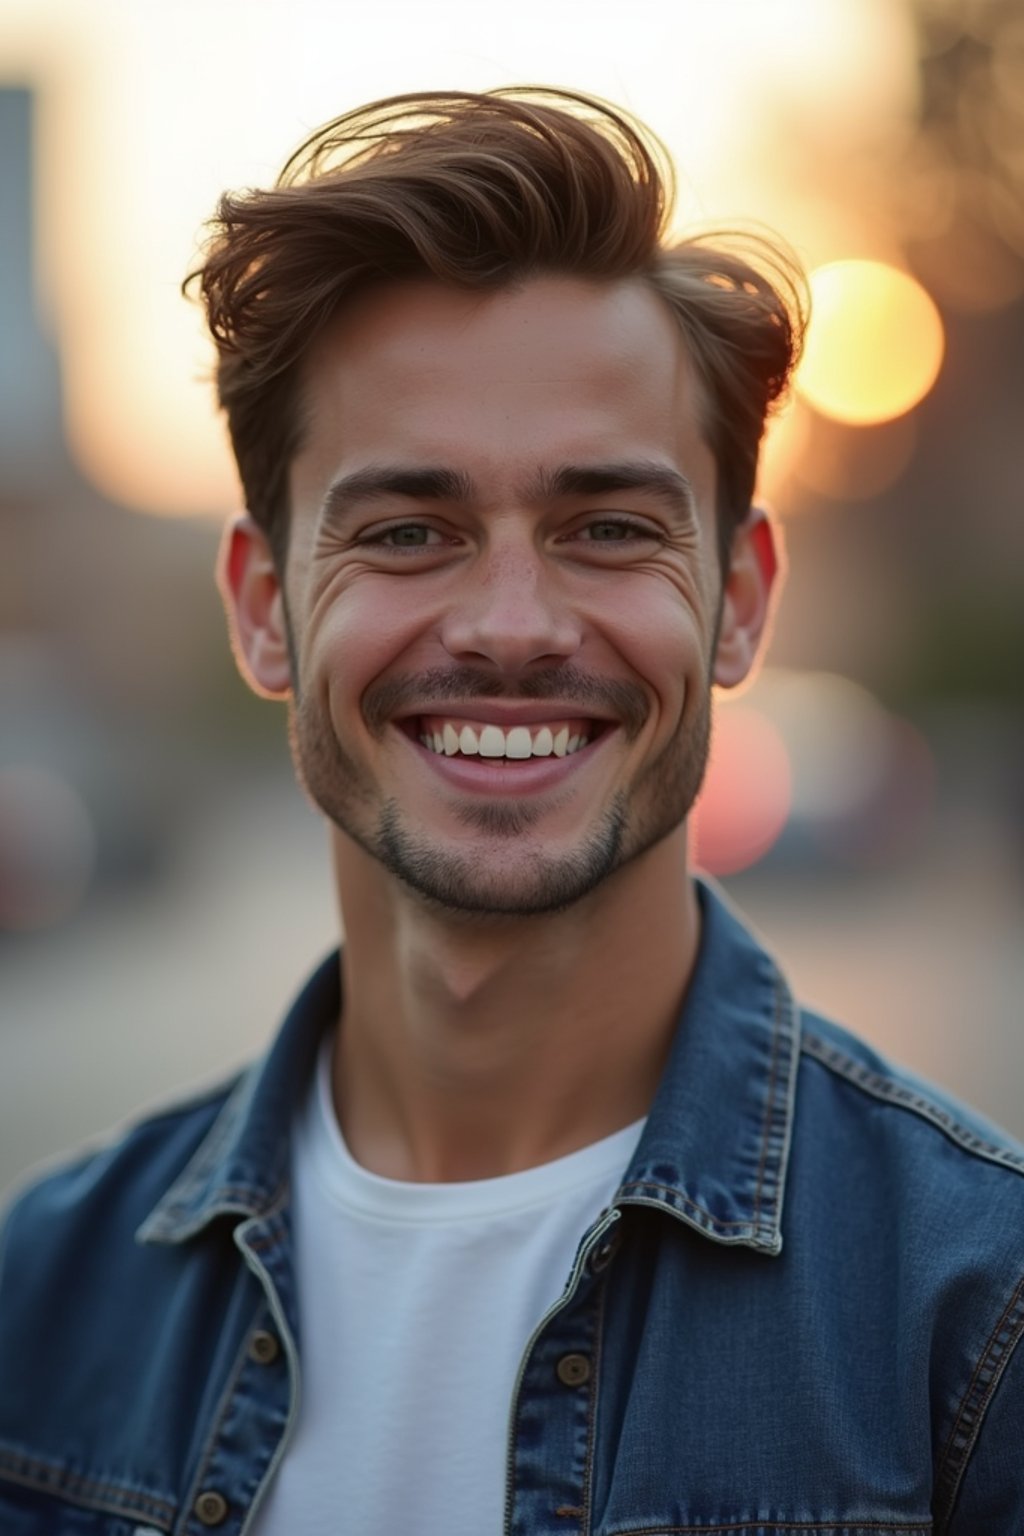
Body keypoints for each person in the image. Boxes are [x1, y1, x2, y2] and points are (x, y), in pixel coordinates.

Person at [1, 87, 1022, 1536]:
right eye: (408, 530)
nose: (511, 626)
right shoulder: (42, 1304)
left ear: (738, 602)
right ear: (262, 608)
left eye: (607, 527)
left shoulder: (979, 1324)